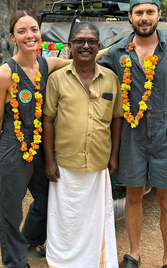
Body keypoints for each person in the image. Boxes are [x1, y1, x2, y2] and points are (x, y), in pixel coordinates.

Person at [98, 0, 167, 268]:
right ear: (130, 16)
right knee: (133, 196)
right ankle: (134, 253)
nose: (144, 18)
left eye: (149, 12)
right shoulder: (117, 53)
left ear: (158, 15)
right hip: (131, 132)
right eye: (139, 13)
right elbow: (87, 66)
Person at [0, 10, 70, 268]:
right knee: (11, 210)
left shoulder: (47, 64)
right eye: (22, 31)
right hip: (13, 147)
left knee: (47, 201)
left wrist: (116, 48)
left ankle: (29, 239)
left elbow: (81, 60)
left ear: (40, 34)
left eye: (33, 29)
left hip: (41, 146)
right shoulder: (3, 74)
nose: (29, 35)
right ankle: (15, 262)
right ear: (13, 37)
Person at [42, 22, 122, 268]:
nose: (85, 45)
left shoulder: (110, 78)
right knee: (66, 219)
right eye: (79, 41)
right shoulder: (56, 79)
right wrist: (50, 160)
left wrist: (114, 156)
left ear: (98, 46)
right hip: (64, 164)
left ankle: (93, 260)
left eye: (91, 41)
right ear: (70, 46)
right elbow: (48, 119)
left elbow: (117, 118)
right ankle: (63, 260)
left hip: (99, 164)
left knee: (95, 218)